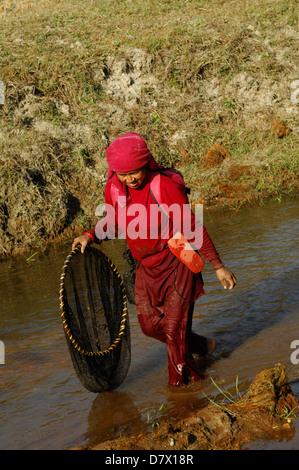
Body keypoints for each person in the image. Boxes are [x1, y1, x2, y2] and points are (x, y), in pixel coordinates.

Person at [72, 132, 236, 387]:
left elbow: (191, 225)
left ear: (146, 163)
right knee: (149, 326)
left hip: (178, 254)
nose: (130, 180)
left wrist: (218, 265)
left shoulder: (164, 186)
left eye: (134, 172)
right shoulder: (115, 188)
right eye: (123, 174)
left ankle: (180, 388)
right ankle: (202, 345)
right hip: (146, 265)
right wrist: (90, 235)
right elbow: (114, 222)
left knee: (173, 328)